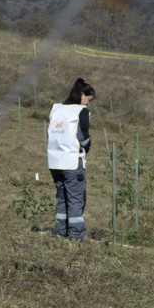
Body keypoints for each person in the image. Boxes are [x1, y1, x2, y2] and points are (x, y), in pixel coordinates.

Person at [47, 78, 95, 240]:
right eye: (89, 99)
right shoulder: (80, 111)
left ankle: (60, 231)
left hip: (54, 161)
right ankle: (75, 236)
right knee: (75, 199)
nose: (88, 104)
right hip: (72, 161)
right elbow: (83, 136)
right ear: (82, 94)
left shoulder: (56, 109)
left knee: (62, 198)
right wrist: (87, 146)